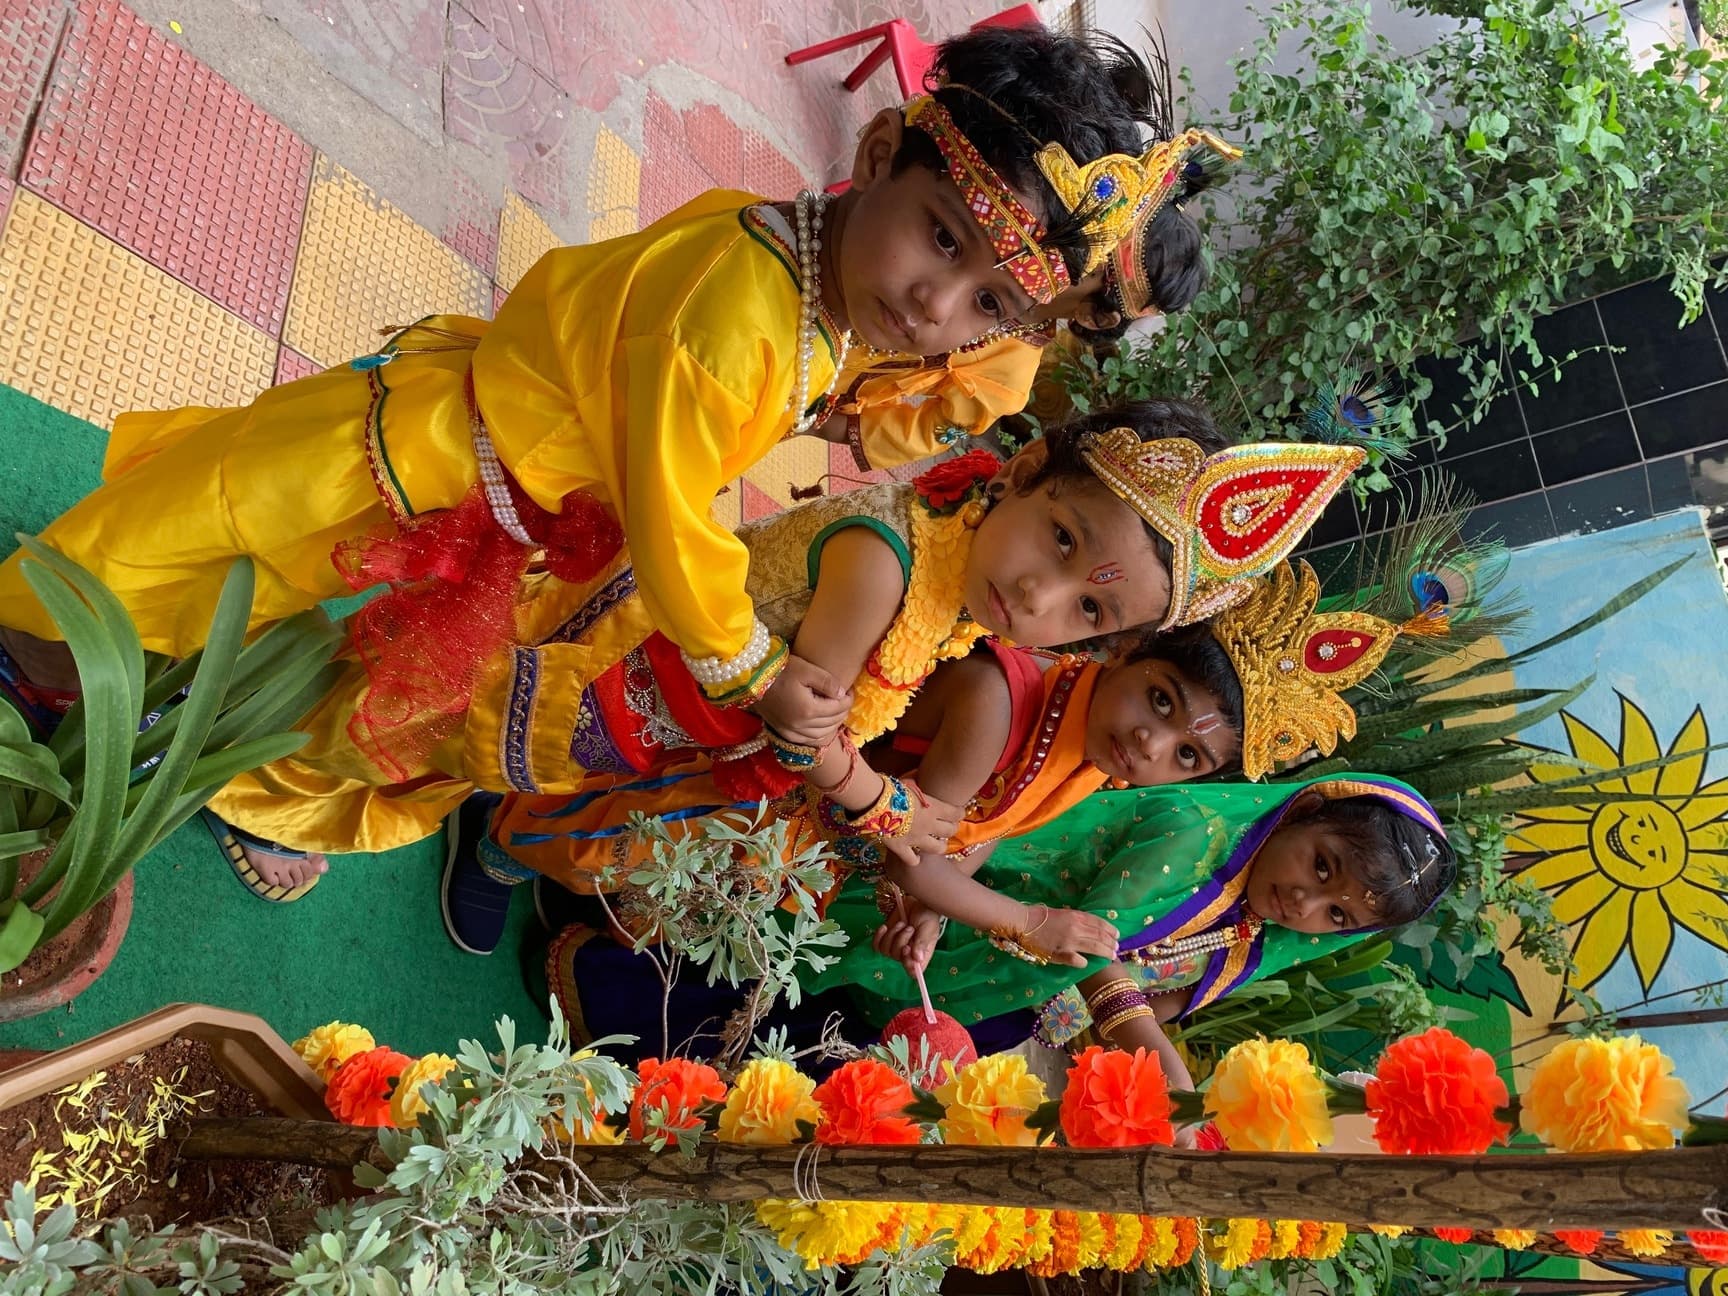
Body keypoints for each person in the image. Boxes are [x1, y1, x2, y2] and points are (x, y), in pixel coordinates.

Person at [0, 26, 1160, 901]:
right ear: (879, 149)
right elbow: (671, 513)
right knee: (184, 540)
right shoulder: (742, 315)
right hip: (418, 457)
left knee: (278, 608)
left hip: (501, 501)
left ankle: (142, 718)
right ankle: (30, 663)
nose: (936, 303)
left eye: (990, 303)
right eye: (943, 236)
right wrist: (750, 666)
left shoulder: (824, 293)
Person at [448, 411, 1364, 952]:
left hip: (737, 741)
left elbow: (967, 826)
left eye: (1088, 608)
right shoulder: (896, 574)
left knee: (629, 826)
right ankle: (494, 838)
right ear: (1026, 470)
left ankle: (520, 835)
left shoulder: (978, 603)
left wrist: (924, 869)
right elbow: (802, 725)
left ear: (1102, 642)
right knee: (502, 751)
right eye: (1060, 540)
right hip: (672, 687)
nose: (1041, 597)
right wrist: (894, 815)